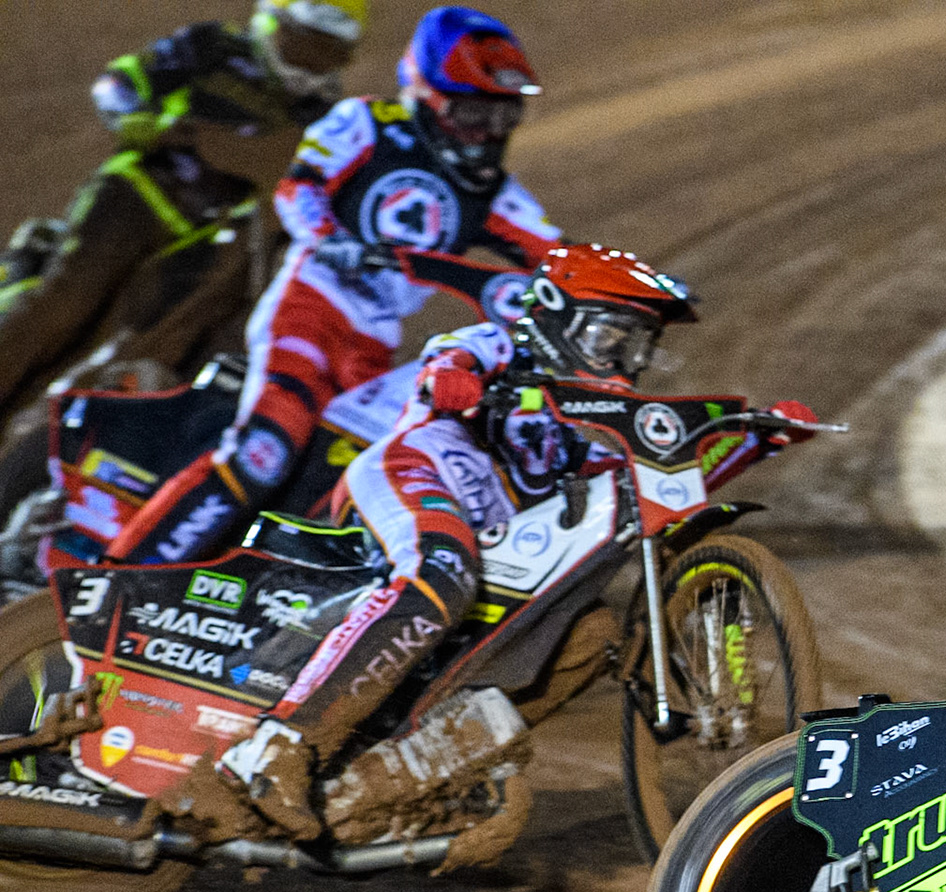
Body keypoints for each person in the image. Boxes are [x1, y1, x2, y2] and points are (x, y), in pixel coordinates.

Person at [194, 243, 711, 839]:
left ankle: (413, 773)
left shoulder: (597, 420)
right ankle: (276, 746)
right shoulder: (500, 343)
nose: (624, 360)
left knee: (591, 636)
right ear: (556, 316)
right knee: (443, 573)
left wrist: (752, 433)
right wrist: (458, 385)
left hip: (490, 534)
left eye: (638, 344)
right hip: (413, 473)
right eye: (610, 337)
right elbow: (446, 365)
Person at [108, 5, 560, 567]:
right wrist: (329, 237)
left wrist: (627, 291)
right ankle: (120, 574)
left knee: (348, 473)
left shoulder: (496, 194)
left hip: (370, 345)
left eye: (503, 118)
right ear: (428, 97)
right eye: (473, 115)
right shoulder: (366, 124)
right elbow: (298, 188)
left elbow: (558, 256)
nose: (487, 136)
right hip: (310, 307)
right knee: (265, 451)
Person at [0, 0, 362, 430]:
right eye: (301, 52)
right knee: (64, 303)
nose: (308, 72)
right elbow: (118, 86)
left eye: (327, 58)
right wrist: (158, 125)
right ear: (272, 25)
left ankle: (32, 441)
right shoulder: (214, 48)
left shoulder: (326, 117)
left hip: (210, 244)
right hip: (140, 192)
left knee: (135, 347)